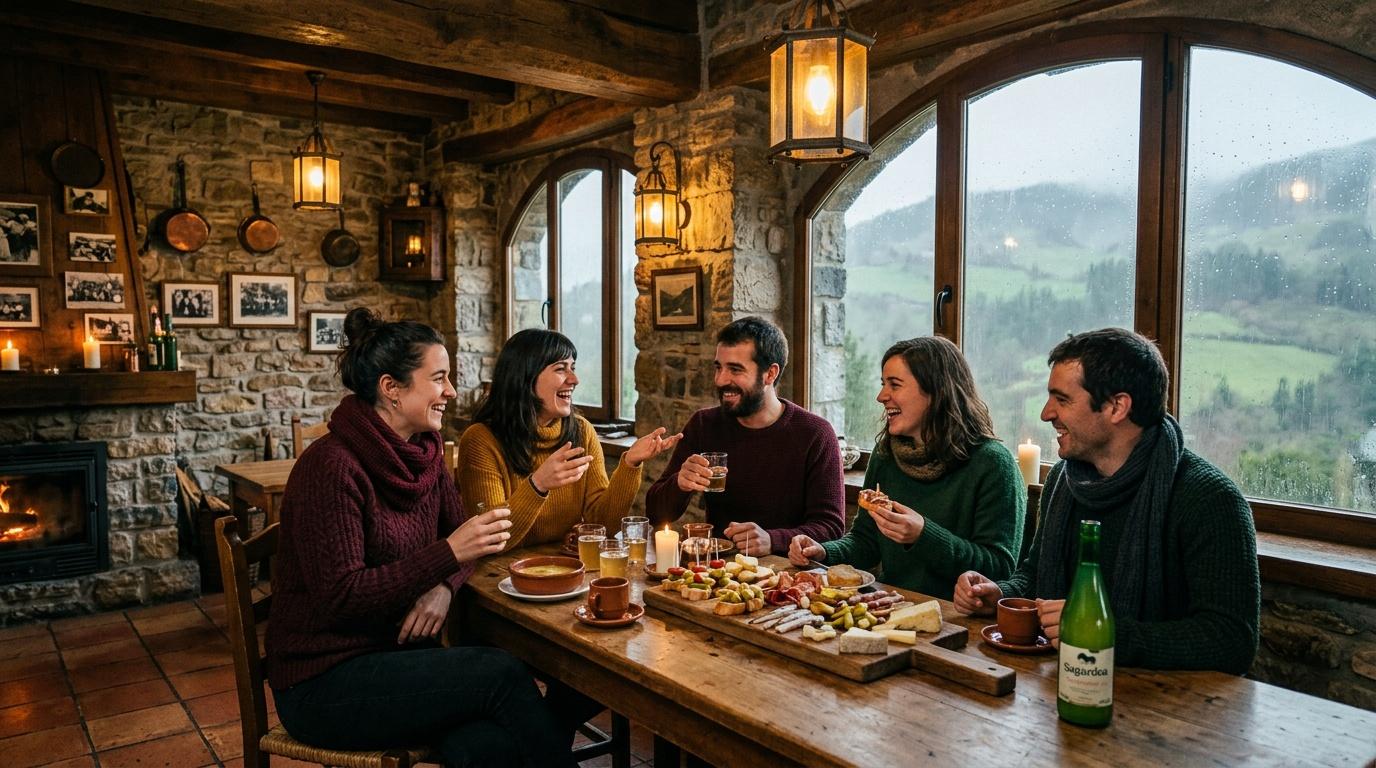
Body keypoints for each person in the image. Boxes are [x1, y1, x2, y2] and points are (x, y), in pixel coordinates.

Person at [267, 308, 577, 766]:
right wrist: (445, 557)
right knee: (501, 673)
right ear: (391, 389)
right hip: (325, 679)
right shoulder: (330, 467)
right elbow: (341, 597)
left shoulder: (423, 454)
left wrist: (443, 586)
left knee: (481, 745)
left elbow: (472, 541)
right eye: (439, 378)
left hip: (399, 657)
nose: (451, 391)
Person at [952, 328, 1260, 674]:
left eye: (1062, 399)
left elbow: (1232, 641)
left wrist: (1100, 631)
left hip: (1166, 711)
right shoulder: (1063, 481)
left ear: (1117, 407)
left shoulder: (1209, 499)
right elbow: (1036, 577)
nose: (1045, 413)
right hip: (1060, 684)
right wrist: (999, 595)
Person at [788, 336, 1026, 599]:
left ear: (936, 392)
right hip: (889, 604)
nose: (881, 396)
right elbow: (866, 542)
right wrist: (824, 551)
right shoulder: (887, 454)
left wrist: (923, 535)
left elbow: (999, 569)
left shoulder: (993, 464)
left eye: (895, 385)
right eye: (883, 384)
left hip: (958, 619)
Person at [458, 328, 682, 549]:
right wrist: (538, 485)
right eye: (560, 369)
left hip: (563, 571)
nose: (574, 379)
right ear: (526, 376)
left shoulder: (582, 431)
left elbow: (603, 525)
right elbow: (492, 539)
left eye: (572, 368)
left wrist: (630, 463)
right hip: (496, 577)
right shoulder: (481, 440)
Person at [646, 316, 845, 556]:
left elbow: (831, 527)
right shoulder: (704, 424)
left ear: (770, 374)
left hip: (788, 577)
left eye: (735, 370)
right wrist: (679, 483)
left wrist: (772, 540)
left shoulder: (815, 434)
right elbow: (655, 513)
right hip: (718, 571)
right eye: (718, 367)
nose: (720, 380)